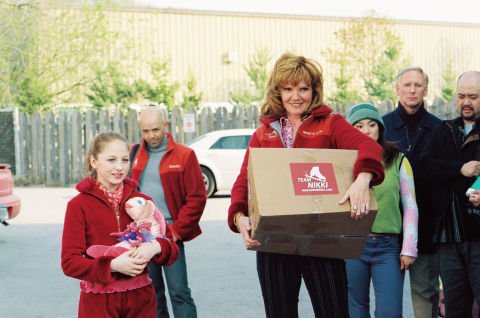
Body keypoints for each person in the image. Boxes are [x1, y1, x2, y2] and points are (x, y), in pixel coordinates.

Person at [228, 52, 385, 318]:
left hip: (322, 240)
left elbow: (368, 146)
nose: (296, 96)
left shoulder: (330, 124)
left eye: (303, 88)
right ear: (277, 91)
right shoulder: (264, 133)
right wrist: (239, 217)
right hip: (274, 241)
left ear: (314, 91)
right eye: (288, 89)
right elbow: (244, 180)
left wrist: (364, 177)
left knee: (334, 312)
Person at [61, 131, 179, 318]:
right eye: (111, 160)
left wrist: (154, 247)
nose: (119, 167)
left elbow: (172, 249)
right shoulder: (78, 206)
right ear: (94, 162)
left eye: (124, 160)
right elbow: (69, 263)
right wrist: (112, 265)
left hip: (141, 300)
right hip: (98, 303)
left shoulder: (143, 201)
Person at [130, 107, 207, 318]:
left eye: (155, 129)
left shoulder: (184, 155)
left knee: (179, 291)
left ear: (165, 126)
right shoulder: (133, 154)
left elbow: (197, 198)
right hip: (143, 235)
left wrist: (176, 231)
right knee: (152, 292)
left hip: (171, 233)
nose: (151, 136)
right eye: (145, 131)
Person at [346, 103, 419, 317]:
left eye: (371, 124)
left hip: (388, 248)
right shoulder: (342, 159)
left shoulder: (398, 159)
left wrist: (409, 248)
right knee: (355, 310)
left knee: (390, 311)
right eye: (358, 126)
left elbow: (411, 205)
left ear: (380, 128)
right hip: (352, 245)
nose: (366, 131)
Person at [382, 66, 442, 318]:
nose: (412, 90)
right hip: (389, 226)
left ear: (426, 90)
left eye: (418, 85)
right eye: (407, 85)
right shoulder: (382, 127)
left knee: (424, 295)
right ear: (397, 89)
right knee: (388, 300)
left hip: (426, 228)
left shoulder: (439, 128)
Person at [420, 71, 480, 317]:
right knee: (455, 308)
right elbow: (423, 167)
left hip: (478, 236)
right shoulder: (443, 130)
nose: (466, 102)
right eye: (461, 96)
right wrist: (459, 169)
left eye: (473, 96)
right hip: (448, 236)